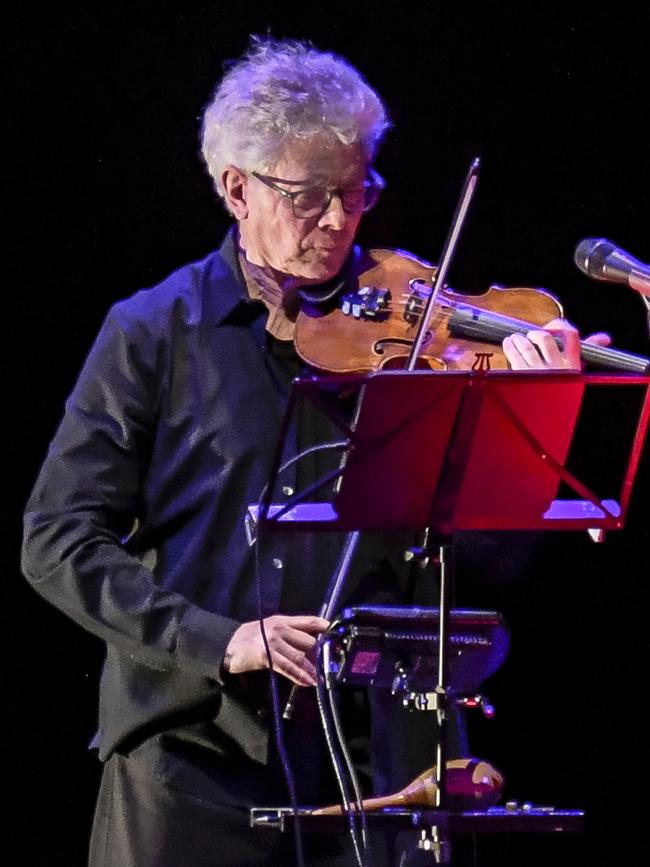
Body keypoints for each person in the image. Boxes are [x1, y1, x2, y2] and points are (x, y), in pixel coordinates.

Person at [21, 37, 605, 867]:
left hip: (384, 770)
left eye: (357, 189)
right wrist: (219, 638)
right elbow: (57, 540)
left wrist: (530, 418)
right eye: (309, 196)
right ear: (236, 189)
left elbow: (494, 557)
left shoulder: (416, 326)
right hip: (193, 763)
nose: (340, 221)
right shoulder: (152, 332)